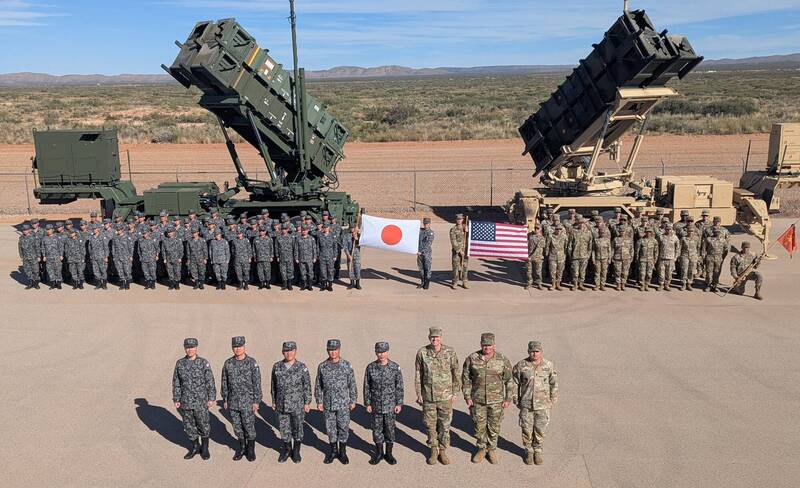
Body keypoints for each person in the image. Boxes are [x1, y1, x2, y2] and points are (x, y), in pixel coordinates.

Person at [462, 332, 513, 465]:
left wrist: (508, 398)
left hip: (496, 401)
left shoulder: (502, 360)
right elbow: (466, 379)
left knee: (494, 427)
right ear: (481, 344)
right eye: (485, 345)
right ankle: (481, 449)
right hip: (477, 400)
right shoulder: (472, 358)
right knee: (479, 426)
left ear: (494, 345)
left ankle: (491, 449)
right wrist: (467, 396)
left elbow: (509, 380)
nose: (487, 348)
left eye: (489, 345)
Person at [414, 327, 461, 465]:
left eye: (437, 337)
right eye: (432, 337)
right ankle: (433, 449)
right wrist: (419, 393)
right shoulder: (422, 352)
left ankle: (443, 450)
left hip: (446, 396)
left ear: (441, 338)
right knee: (430, 425)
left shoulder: (450, 352)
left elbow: (456, 372)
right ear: (429, 338)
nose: (435, 340)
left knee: (445, 425)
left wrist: (455, 392)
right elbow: (418, 374)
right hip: (428, 396)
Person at [512, 341, 558, 465]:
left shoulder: (548, 365)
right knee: (526, 429)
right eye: (532, 351)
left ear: (541, 352)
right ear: (528, 352)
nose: (534, 354)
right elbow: (514, 383)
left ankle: (537, 450)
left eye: (537, 351)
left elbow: (554, 383)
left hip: (543, 405)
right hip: (526, 404)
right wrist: (516, 399)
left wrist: (553, 399)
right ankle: (529, 451)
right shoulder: (521, 365)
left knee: (540, 429)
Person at [172, 338, 216, 460]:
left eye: (192, 347)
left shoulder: (203, 363)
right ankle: (195, 447)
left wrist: (211, 397)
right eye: (187, 347)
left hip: (201, 401)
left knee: (203, 424)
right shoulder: (180, 363)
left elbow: (210, 381)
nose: (190, 350)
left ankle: (205, 448)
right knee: (189, 426)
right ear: (184, 348)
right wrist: (176, 398)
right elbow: (176, 382)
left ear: (196, 348)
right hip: (186, 401)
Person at [315, 339, 357, 465]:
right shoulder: (322, 366)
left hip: (343, 404)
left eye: (335, 349)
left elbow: (352, 384)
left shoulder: (346, 365)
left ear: (339, 349)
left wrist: (353, 400)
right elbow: (318, 385)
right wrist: (319, 401)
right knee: (330, 428)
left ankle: (343, 452)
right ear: (327, 350)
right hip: (328, 403)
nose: (333, 352)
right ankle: (333, 451)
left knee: (343, 427)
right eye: (330, 350)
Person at [221, 336, 262, 462]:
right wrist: (225, 399)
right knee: (237, 427)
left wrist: (256, 401)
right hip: (233, 402)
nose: (237, 349)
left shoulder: (251, 363)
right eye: (235, 347)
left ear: (244, 346)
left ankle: (250, 450)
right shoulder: (228, 363)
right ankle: (242, 448)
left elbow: (257, 383)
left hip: (248, 402)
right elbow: (224, 382)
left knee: (249, 426)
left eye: (240, 346)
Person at [363, 342, 404, 465]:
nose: (381, 354)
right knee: (377, 430)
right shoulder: (371, 367)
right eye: (379, 352)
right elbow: (367, 386)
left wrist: (399, 403)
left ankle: (389, 453)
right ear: (376, 353)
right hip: (376, 405)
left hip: (390, 406)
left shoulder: (395, 367)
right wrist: (368, 403)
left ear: (388, 352)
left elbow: (399, 386)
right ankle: (379, 453)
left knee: (390, 430)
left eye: (384, 352)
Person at [271, 341, 312, 464]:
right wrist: (274, 400)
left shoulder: (301, 367)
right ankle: (287, 450)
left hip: (297, 405)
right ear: (283, 352)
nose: (289, 353)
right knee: (284, 429)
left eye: (291, 350)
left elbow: (307, 386)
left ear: (295, 351)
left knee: (297, 428)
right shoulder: (277, 366)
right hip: (281, 404)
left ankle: (296, 451)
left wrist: (307, 402)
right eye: (286, 351)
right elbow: (273, 385)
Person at [568, 220, 593, 291]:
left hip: (584, 256)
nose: (582, 225)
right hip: (575, 256)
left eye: (583, 223)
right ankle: (575, 284)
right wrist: (570, 255)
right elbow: (570, 245)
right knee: (575, 272)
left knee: (582, 272)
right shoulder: (574, 232)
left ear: (585, 224)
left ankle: (581, 284)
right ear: (578, 224)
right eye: (580, 223)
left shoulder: (588, 233)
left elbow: (590, 246)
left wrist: (588, 255)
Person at [656, 225, 680, 291]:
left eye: (670, 229)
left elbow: (677, 248)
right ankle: (661, 285)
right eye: (667, 229)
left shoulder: (675, 238)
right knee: (661, 273)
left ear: (672, 229)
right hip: (662, 258)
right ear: (665, 229)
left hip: (671, 258)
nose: (668, 231)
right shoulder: (661, 237)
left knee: (669, 273)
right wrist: (657, 257)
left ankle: (667, 285)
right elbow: (657, 247)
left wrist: (675, 257)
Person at [703, 228, 727, 292]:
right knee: (709, 272)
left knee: (717, 273)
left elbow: (726, 250)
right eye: (715, 232)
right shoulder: (708, 239)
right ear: (713, 232)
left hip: (719, 258)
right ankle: (708, 285)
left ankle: (714, 286)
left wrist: (722, 257)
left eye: (718, 232)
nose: (717, 233)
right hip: (710, 257)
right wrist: (704, 257)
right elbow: (703, 249)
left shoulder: (723, 240)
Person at [19, 223, 42, 289]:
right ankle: (31, 283)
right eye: (23, 230)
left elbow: (37, 247)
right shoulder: (21, 238)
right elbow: (20, 248)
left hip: (33, 257)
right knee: (27, 270)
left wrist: (38, 256)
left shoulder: (33, 237)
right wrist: (21, 256)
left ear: (29, 230)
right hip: (25, 257)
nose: (24, 231)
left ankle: (36, 283)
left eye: (26, 230)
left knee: (35, 270)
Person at [111, 224, 135, 290]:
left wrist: (131, 256)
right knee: (120, 270)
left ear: (122, 230)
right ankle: (122, 283)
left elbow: (131, 247)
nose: (118, 231)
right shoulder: (115, 237)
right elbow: (113, 247)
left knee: (127, 270)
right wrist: (114, 256)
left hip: (126, 256)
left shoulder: (127, 237)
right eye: (117, 230)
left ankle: (127, 283)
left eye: (119, 230)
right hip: (117, 256)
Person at [294, 226, 317, 291]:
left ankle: (310, 285)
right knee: (302, 272)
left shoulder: (311, 238)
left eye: (305, 230)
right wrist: (296, 257)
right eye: (303, 230)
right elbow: (296, 249)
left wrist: (314, 257)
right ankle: (304, 285)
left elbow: (314, 248)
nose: (304, 231)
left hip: (309, 258)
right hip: (301, 258)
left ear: (307, 231)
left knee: (310, 272)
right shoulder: (298, 239)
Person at [545, 224, 567, 290]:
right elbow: (547, 246)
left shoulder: (564, 236)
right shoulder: (551, 236)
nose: (559, 230)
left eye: (560, 229)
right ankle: (553, 284)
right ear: (555, 229)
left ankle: (558, 284)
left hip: (561, 257)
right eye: (557, 229)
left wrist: (564, 255)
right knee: (552, 271)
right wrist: (547, 255)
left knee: (560, 271)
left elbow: (566, 247)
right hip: (552, 257)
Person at [449, 214, 469, 289]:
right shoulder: (453, 229)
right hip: (456, 252)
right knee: (455, 267)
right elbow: (453, 241)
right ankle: (455, 282)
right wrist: (459, 250)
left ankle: (464, 281)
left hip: (465, 251)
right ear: (456, 220)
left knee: (465, 267)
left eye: (460, 219)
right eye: (458, 219)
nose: (459, 221)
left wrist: (468, 231)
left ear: (463, 220)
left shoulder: (466, 228)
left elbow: (470, 239)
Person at [679, 225, 701, 290]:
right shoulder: (683, 238)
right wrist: (679, 256)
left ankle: (689, 283)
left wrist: (698, 257)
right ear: (687, 231)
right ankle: (683, 284)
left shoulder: (697, 239)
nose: (691, 232)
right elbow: (679, 248)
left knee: (691, 271)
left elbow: (698, 248)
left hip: (693, 257)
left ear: (694, 232)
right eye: (689, 231)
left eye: (692, 231)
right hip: (684, 256)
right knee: (684, 270)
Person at [275, 224, 296, 290]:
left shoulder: (291, 237)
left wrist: (294, 256)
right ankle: (284, 284)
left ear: (287, 229)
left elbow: (294, 247)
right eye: (283, 229)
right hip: (282, 257)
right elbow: (276, 248)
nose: (284, 230)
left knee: (290, 270)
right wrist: (277, 256)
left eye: (285, 229)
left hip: (290, 257)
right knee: (283, 271)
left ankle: (289, 284)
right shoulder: (278, 238)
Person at [525, 224, 546, 290]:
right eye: (535, 228)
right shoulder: (530, 236)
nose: (536, 229)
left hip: (538, 257)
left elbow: (538, 248)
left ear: (540, 229)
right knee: (529, 271)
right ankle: (529, 283)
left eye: (537, 228)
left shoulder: (542, 238)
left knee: (538, 272)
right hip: (529, 257)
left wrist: (531, 256)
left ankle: (539, 283)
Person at [317, 224, 337, 291]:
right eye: (324, 227)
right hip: (322, 256)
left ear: (329, 228)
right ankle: (323, 285)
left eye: (327, 227)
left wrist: (335, 255)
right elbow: (318, 246)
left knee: (330, 271)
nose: (325, 229)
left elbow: (335, 246)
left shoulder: (332, 236)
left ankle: (330, 285)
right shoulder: (320, 236)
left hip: (330, 256)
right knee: (323, 271)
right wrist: (318, 255)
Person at [417, 217, 435, 289]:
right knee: (420, 268)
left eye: (427, 223)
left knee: (427, 268)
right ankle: (422, 282)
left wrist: (421, 251)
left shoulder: (431, 233)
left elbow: (428, 244)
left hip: (426, 253)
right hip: (419, 253)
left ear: (429, 224)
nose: (425, 225)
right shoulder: (420, 231)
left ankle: (427, 283)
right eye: (424, 223)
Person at [593, 226, 612, 290]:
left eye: (603, 233)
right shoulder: (596, 240)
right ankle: (597, 285)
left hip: (605, 258)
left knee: (604, 272)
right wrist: (593, 259)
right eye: (601, 232)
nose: (602, 234)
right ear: (599, 233)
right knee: (597, 272)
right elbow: (593, 250)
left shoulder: (607, 240)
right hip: (597, 258)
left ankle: (602, 285)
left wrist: (609, 259)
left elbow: (609, 250)